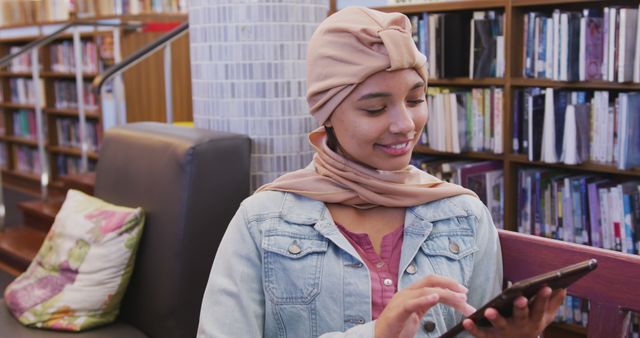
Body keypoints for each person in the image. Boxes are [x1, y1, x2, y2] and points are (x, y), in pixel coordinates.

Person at [197, 6, 565, 338]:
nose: (406, 124)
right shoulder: (261, 223)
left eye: (416, 99)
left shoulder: (464, 215)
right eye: (375, 109)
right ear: (327, 116)